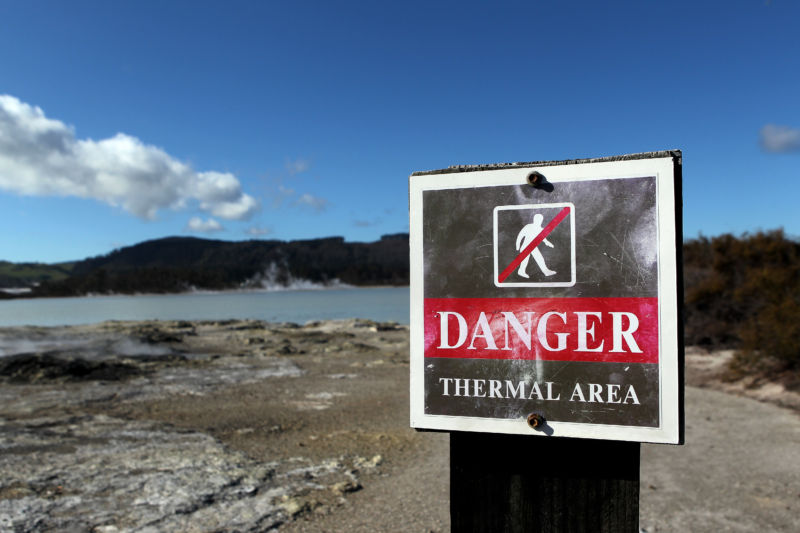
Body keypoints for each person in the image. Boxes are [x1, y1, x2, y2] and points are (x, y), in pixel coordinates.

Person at [515, 213, 556, 278]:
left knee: (540, 258)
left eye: (540, 220)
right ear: (534, 219)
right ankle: (521, 271)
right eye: (537, 219)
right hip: (526, 246)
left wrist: (547, 243)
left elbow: (543, 238)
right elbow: (520, 236)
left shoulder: (541, 229)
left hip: (533, 247)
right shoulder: (528, 226)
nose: (539, 221)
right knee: (525, 260)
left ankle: (546, 271)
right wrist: (517, 246)